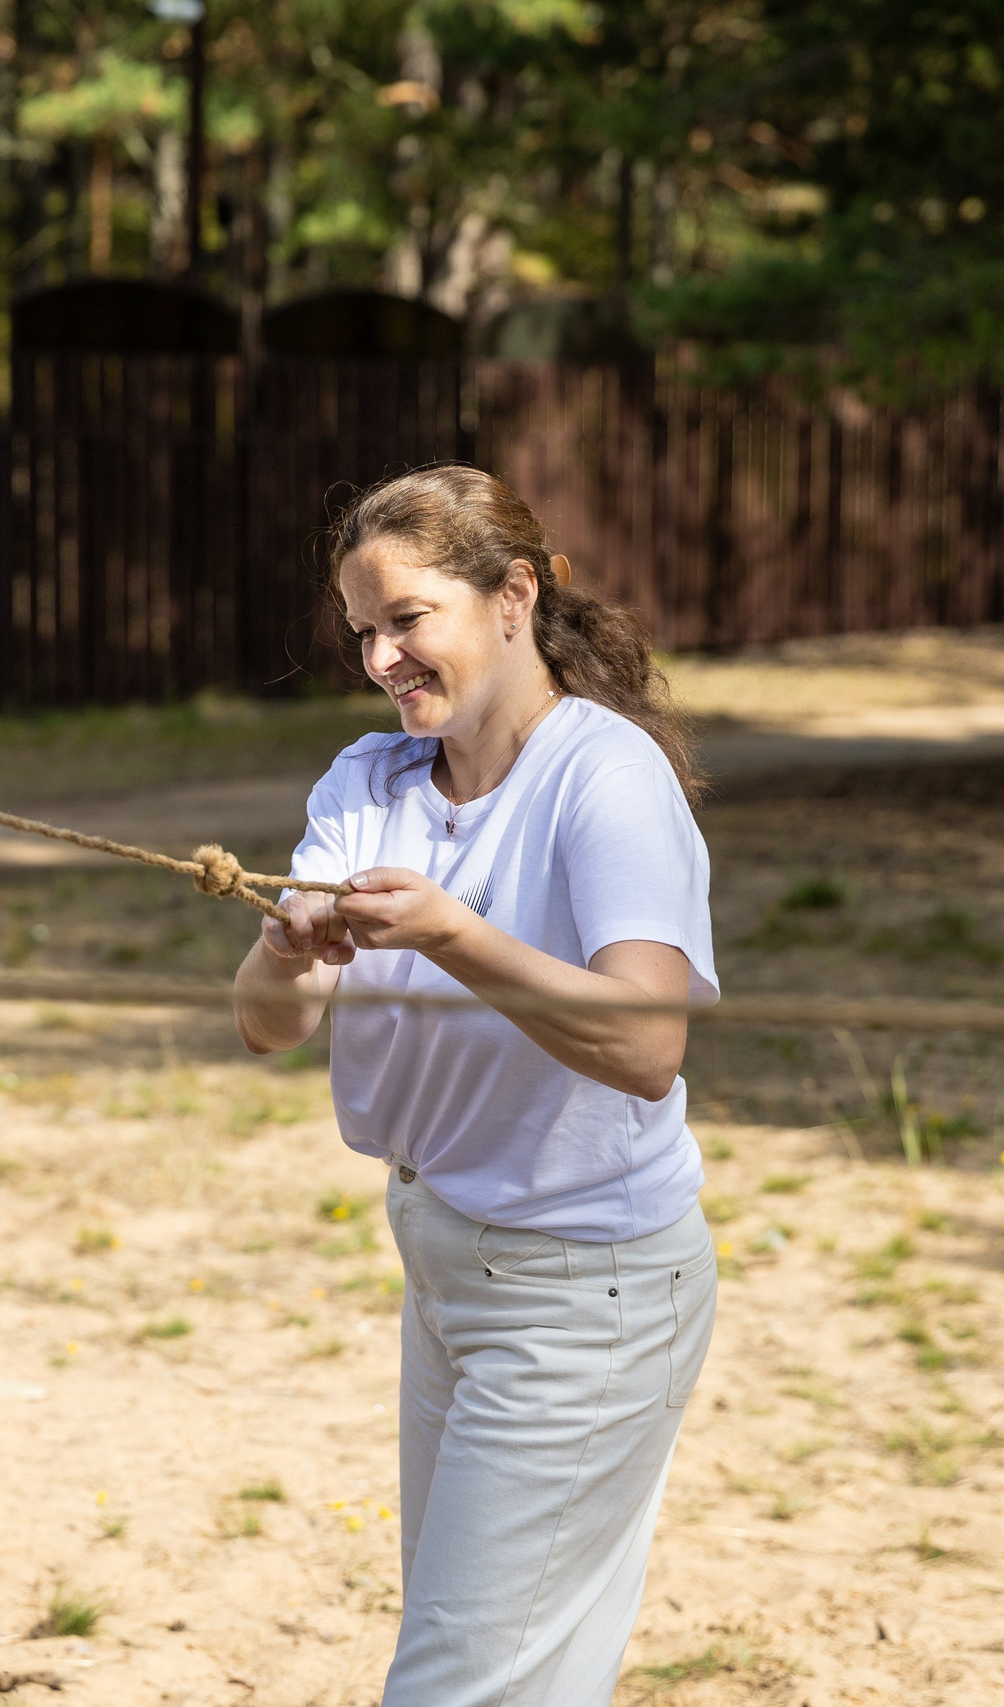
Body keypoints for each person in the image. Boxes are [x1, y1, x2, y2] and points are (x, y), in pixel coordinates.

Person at [231, 465, 718, 1705]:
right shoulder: (371, 780)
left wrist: (452, 933)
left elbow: (647, 1048)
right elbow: (267, 1027)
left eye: (407, 619)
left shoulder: (603, 779)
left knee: (455, 1685)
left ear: (511, 597)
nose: (381, 657)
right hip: (447, 1257)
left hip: (582, 1288)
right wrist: (287, 947)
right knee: (511, 1674)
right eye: (361, 632)